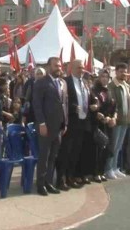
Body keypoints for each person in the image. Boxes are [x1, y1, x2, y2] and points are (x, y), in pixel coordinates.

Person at [57, 60, 95, 190]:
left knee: (76, 152)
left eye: (83, 68)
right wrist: (73, 107)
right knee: (66, 152)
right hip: (71, 122)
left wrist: (94, 104)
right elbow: (61, 100)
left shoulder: (84, 83)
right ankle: (61, 179)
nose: (82, 70)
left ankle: (70, 177)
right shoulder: (65, 82)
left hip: (82, 122)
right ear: (71, 68)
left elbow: (89, 98)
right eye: (79, 68)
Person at [32, 57, 67, 196]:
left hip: (59, 126)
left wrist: (66, 123)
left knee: (53, 156)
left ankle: (49, 182)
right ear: (49, 67)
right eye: (55, 65)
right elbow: (37, 105)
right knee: (44, 156)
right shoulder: (41, 83)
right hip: (46, 126)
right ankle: (40, 185)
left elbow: (64, 103)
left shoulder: (62, 82)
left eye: (60, 65)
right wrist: (41, 123)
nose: (58, 68)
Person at [105, 63, 130, 180]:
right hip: (117, 120)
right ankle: (108, 169)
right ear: (116, 72)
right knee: (113, 145)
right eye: (121, 71)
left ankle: (115, 167)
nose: (123, 73)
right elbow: (113, 104)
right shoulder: (112, 86)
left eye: (125, 71)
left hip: (125, 120)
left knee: (119, 146)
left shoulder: (126, 85)